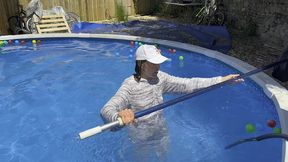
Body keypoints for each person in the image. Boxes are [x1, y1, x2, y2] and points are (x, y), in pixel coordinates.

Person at [100, 44, 242, 160]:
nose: (157, 67)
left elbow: (189, 84)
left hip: (161, 129)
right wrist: (118, 116)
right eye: (153, 63)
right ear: (141, 64)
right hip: (140, 135)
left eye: (158, 63)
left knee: (164, 157)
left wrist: (221, 80)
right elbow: (107, 109)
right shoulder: (130, 85)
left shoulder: (161, 78)